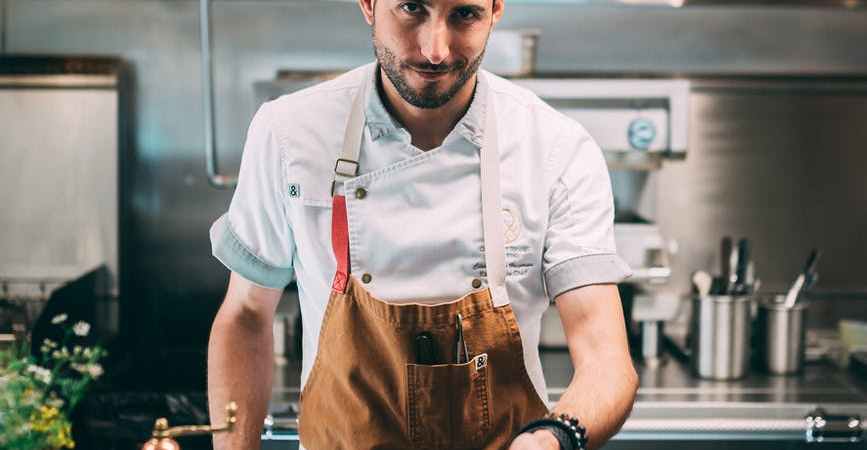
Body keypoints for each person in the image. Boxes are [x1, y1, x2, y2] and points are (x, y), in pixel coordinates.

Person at [207, 0, 638, 449]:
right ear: (369, 5)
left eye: (464, 15)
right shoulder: (290, 133)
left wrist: (553, 439)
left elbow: (606, 360)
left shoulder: (555, 148)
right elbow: (246, 315)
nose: (436, 49)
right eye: (413, 8)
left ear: (496, 9)